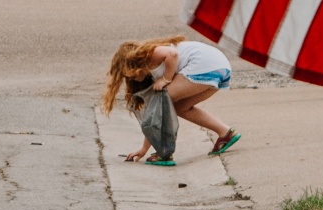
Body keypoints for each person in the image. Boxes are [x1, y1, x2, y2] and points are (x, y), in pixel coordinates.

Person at [103, 36, 241, 164]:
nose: (132, 78)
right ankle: (226, 133)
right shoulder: (152, 72)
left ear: (134, 60)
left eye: (130, 73)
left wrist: (166, 79)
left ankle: (165, 151)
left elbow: (172, 54)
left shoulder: (150, 54)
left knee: (161, 102)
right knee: (180, 107)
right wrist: (144, 149)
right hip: (221, 68)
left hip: (204, 66)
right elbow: (156, 115)